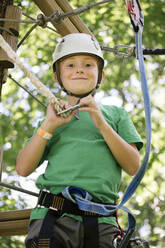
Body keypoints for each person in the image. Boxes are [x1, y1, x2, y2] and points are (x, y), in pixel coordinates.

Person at [16, 33, 143, 248]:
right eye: (71, 65)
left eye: (87, 64)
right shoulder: (51, 119)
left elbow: (133, 166)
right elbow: (23, 168)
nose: (79, 69)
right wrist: (48, 127)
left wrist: (101, 123)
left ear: (100, 75)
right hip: (54, 217)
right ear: (57, 77)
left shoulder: (115, 115)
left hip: (102, 220)